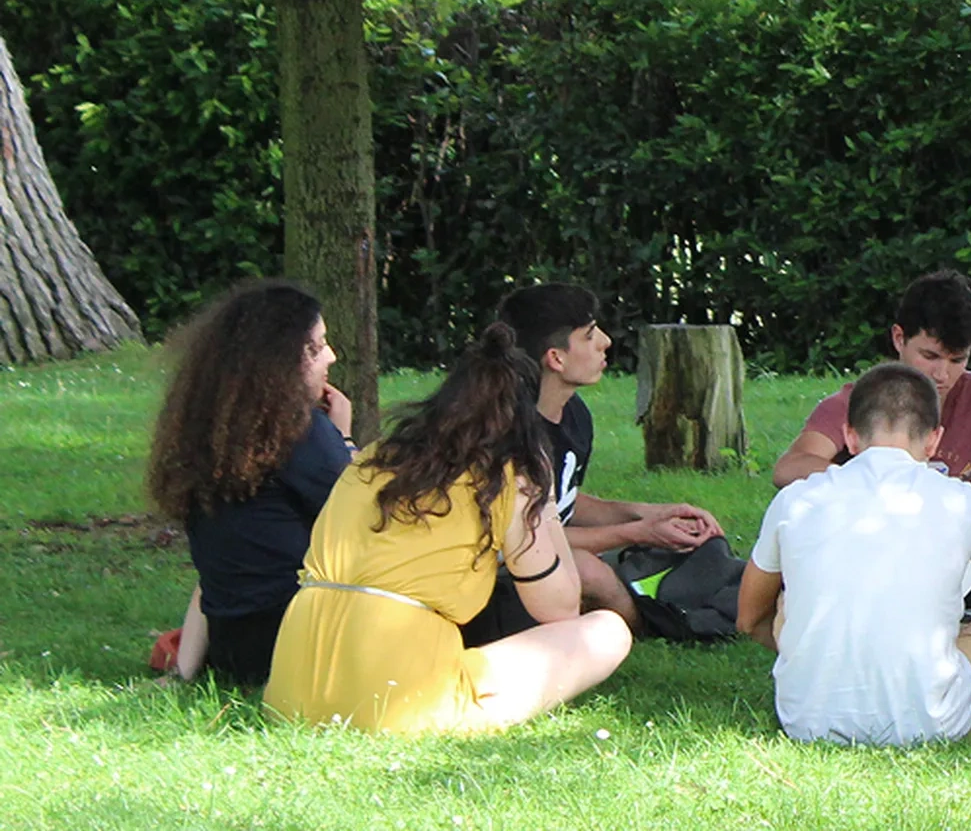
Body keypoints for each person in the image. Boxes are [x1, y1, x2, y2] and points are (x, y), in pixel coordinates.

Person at [264, 325, 631, 733]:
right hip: (400, 705)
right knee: (607, 631)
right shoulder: (505, 476)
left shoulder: (373, 458)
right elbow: (558, 608)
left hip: (290, 691)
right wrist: (541, 497)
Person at [737, 363, 971, 745]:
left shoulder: (795, 500)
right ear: (933, 441)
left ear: (849, 437)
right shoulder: (961, 501)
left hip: (804, 722)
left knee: (791, 600)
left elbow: (749, 618)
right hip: (934, 722)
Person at [770, 271, 971, 585]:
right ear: (899, 338)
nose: (942, 374)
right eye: (930, 356)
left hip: (962, 553)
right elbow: (790, 467)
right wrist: (880, 478)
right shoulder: (857, 401)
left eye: (958, 360)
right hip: (871, 552)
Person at [465, 284, 723, 638]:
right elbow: (525, 538)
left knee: (645, 550)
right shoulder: (504, 434)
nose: (605, 341)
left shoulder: (573, 415)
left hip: (536, 562)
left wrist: (651, 513)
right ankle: (652, 630)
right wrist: (634, 532)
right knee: (588, 570)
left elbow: (562, 501)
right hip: (486, 582)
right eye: (589, 336)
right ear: (556, 358)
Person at [144, 279, 352, 686]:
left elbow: (212, 576)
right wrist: (341, 437)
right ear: (288, 359)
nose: (331, 356)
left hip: (233, 650)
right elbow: (358, 520)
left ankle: (184, 674)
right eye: (319, 346)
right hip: (300, 641)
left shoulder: (206, 439)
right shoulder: (303, 432)